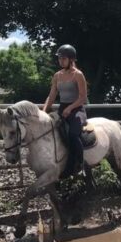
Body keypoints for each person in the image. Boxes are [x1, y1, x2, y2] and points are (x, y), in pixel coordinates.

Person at [43, 44, 87, 179]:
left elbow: (83, 97)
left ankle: (81, 166)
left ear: (71, 59)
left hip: (77, 109)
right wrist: (44, 111)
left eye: (63, 58)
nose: (60, 61)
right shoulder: (57, 75)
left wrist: (70, 108)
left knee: (73, 135)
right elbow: (51, 96)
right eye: (59, 58)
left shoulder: (78, 75)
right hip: (62, 108)